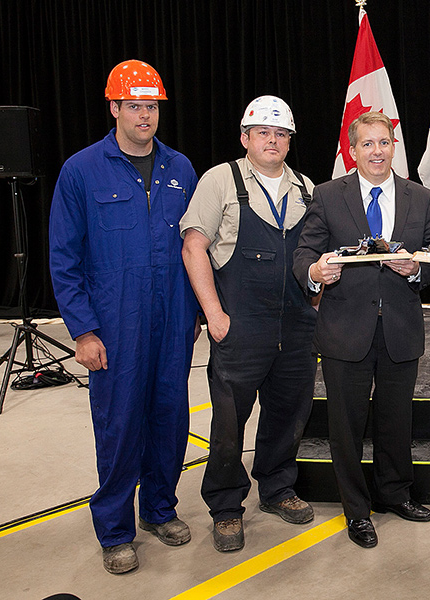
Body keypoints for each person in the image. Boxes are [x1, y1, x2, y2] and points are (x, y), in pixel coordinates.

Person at [48, 60, 199, 574]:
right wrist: (83, 330)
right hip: (115, 326)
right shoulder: (81, 170)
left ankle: (159, 509)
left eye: (151, 106)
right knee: (118, 426)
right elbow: (64, 258)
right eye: (134, 105)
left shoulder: (181, 169)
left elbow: (195, 248)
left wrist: (197, 313)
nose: (144, 115)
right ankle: (115, 530)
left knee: (170, 420)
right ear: (114, 107)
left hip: (173, 322)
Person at [292, 111, 430, 549]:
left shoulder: (420, 196)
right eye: (368, 144)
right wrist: (317, 272)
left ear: (393, 146)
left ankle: (395, 493)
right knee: (346, 425)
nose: (377, 151)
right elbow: (305, 253)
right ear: (353, 150)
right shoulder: (326, 196)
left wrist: (417, 268)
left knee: (397, 419)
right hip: (345, 329)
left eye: (384, 142)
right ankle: (356, 511)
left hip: (400, 327)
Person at [180, 96, 318, 553]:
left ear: (289, 140)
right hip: (240, 325)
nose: (273, 140)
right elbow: (193, 248)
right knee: (228, 422)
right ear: (245, 138)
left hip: (297, 326)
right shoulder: (220, 180)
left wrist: (317, 305)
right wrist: (215, 315)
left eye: (281, 134)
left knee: (288, 413)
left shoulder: (305, 188)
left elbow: (316, 257)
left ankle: (277, 489)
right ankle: (224, 506)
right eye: (263, 132)